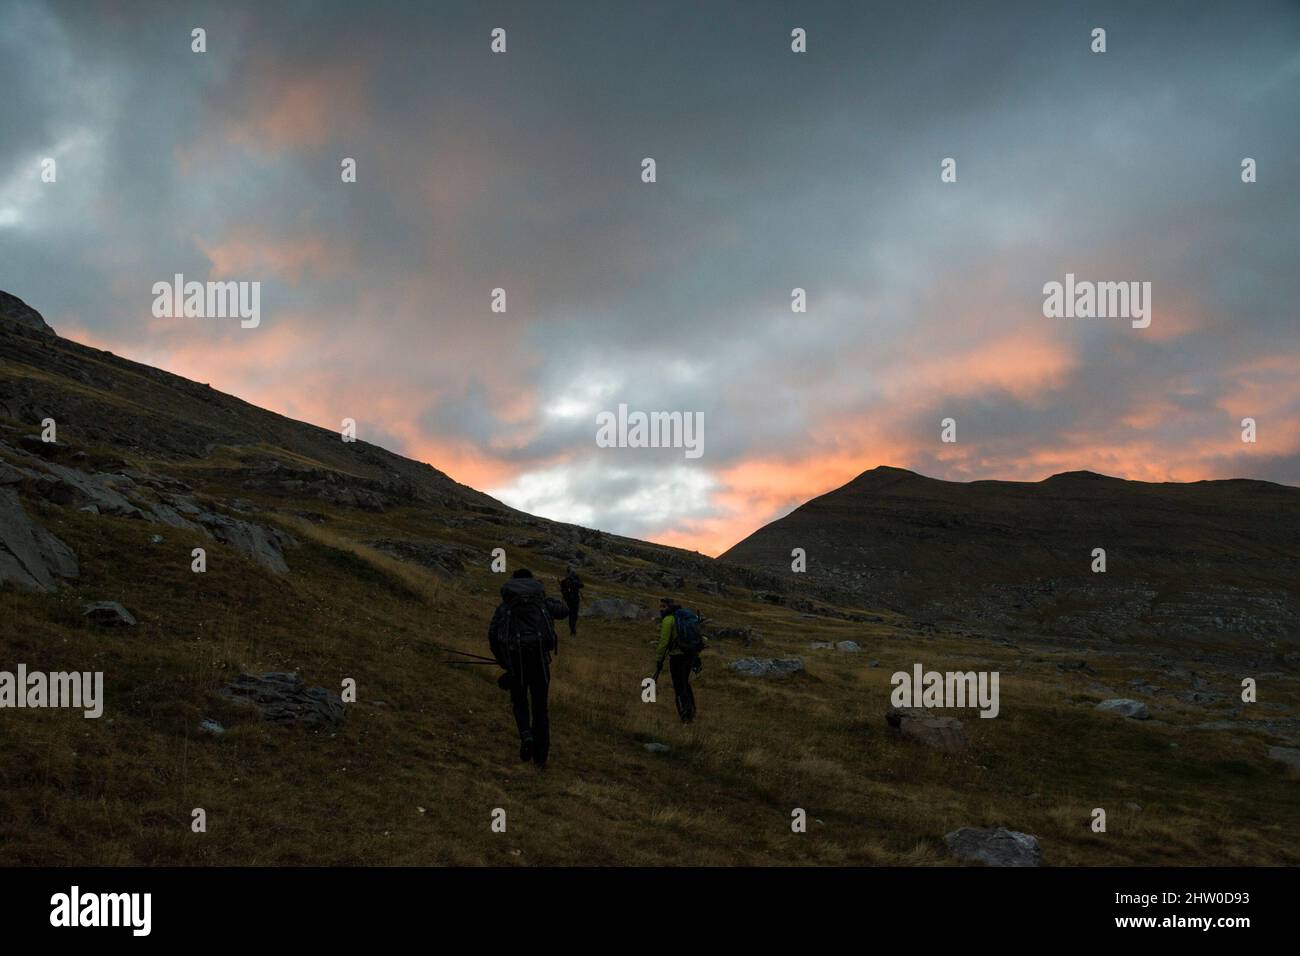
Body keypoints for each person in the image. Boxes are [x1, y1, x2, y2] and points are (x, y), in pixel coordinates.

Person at [488, 569, 567, 769]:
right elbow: (564, 611)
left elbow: (493, 635)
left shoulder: (506, 605)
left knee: (520, 702)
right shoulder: (541, 601)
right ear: (532, 581)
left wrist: (504, 663)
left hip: (516, 662)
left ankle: (526, 736)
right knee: (540, 708)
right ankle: (540, 760)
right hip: (540, 662)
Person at [653, 598, 704, 724]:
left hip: (677, 657)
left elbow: (664, 642)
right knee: (685, 683)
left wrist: (659, 659)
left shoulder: (668, 620)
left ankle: (685, 715)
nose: (661, 609)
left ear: (669, 607)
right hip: (689, 655)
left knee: (679, 686)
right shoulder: (684, 617)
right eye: (660, 606)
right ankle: (692, 710)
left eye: (663, 606)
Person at [559, 566, 584, 636]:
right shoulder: (573, 579)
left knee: (572, 615)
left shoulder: (565, 580)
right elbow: (582, 585)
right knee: (574, 615)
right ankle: (573, 629)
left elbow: (561, 589)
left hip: (569, 600)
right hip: (574, 600)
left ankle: (572, 629)